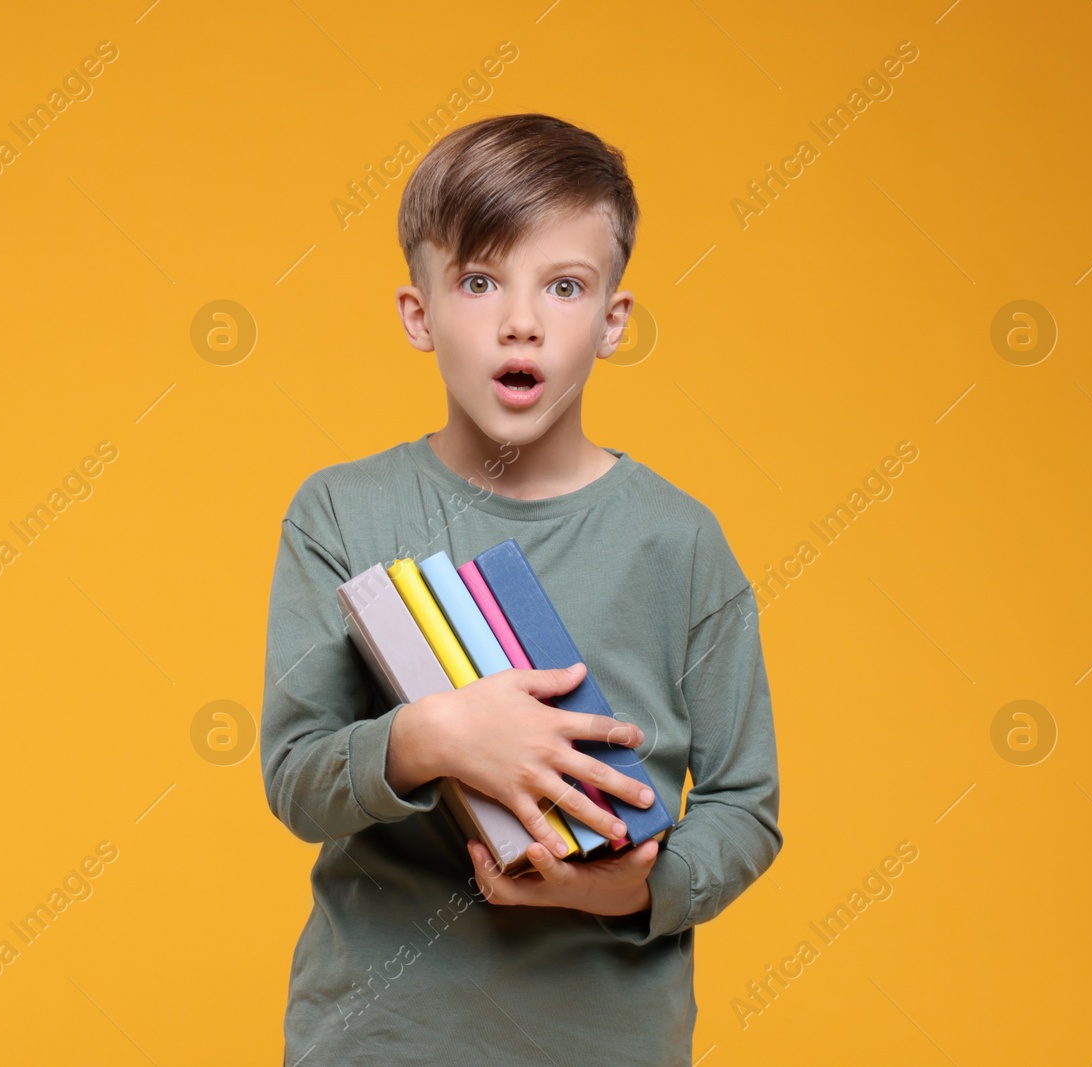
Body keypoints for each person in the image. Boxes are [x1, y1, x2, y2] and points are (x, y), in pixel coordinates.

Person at [260, 112, 781, 1066]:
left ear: (614, 321)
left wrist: (628, 890)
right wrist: (435, 737)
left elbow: (746, 801)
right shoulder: (338, 513)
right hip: (379, 1038)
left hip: (604, 1039)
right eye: (478, 280)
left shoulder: (679, 541)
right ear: (418, 313)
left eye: (566, 285)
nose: (521, 320)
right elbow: (296, 779)